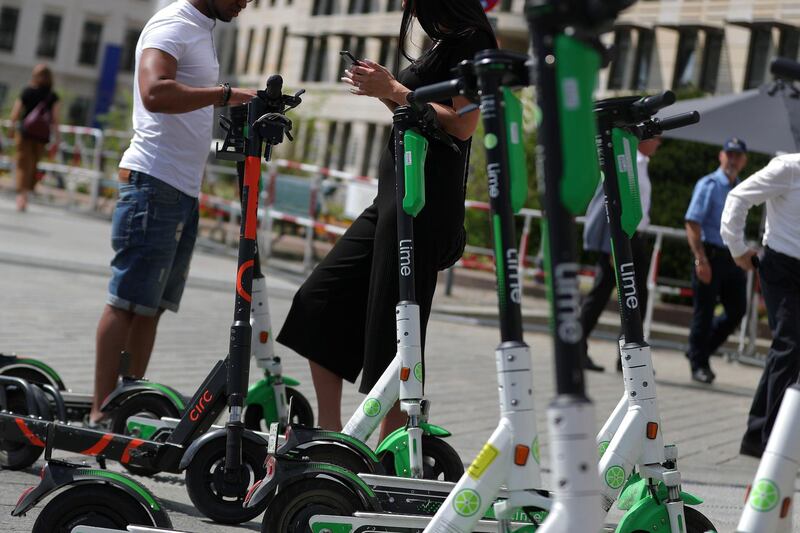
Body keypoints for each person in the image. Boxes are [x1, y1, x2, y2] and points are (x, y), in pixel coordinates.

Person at [277, 0, 497, 438]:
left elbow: (463, 124)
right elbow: (419, 113)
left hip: (422, 205)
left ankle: (390, 453)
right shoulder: (445, 40)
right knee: (318, 300)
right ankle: (332, 432)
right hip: (393, 198)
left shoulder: (473, 41)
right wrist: (385, 91)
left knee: (394, 334)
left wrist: (394, 88)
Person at [89, 0, 256, 425]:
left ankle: (125, 407)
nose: (244, 4)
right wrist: (225, 95)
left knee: (150, 307)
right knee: (126, 301)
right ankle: (99, 413)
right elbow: (155, 91)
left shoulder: (200, 28)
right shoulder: (173, 24)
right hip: (154, 182)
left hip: (181, 188)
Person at [720, 153, 800, 457]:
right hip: (780, 265)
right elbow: (738, 197)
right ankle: (772, 442)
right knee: (790, 344)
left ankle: (756, 434)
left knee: (789, 348)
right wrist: (737, 248)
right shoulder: (788, 167)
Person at [579, 137, 660, 372]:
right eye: (656, 137)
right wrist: (613, 245)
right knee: (601, 294)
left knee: (635, 298)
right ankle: (576, 348)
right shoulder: (629, 162)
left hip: (635, 238)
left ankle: (628, 355)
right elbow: (613, 202)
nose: (660, 142)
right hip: (621, 237)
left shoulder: (641, 163)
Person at [684, 138, 749, 384]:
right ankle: (698, 364)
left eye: (737, 156)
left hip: (732, 258)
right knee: (704, 312)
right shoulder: (709, 184)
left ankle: (699, 352)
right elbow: (692, 222)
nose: (732, 160)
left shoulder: (742, 187)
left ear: (743, 160)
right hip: (710, 255)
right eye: (729, 154)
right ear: (721, 156)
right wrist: (700, 259)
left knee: (737, 310)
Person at [8, 64, 61, 212]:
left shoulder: (27, 91)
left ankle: (22, 195)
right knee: (34, 164)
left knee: (22, 163)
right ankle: (26, 193)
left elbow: (16, 112)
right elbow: (56, 119)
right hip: (41, 136)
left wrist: (12, 128)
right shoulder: (52, 96)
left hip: (25, 133)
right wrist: (57, 138)